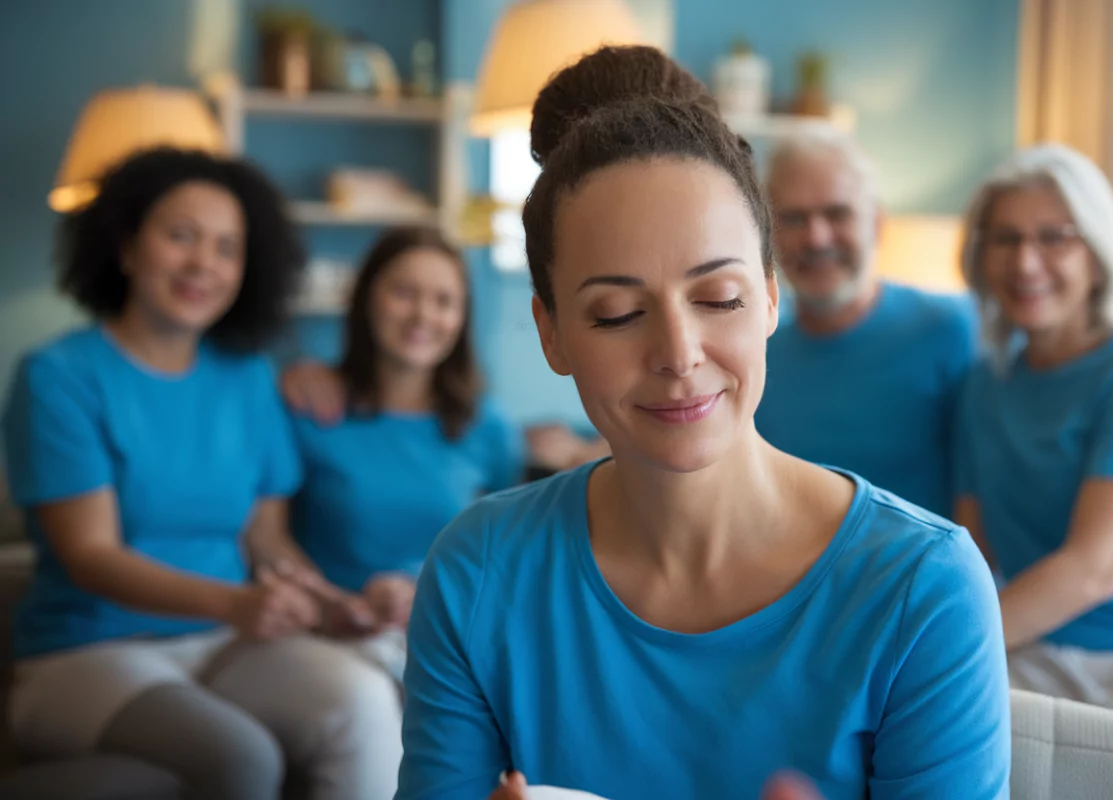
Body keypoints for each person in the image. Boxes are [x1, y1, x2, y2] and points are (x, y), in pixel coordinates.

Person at [396, 45, 1009, 800]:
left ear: (772, 297)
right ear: (551, 332)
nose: (679, 354)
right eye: (616, 313)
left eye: (719, 297)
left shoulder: (923, 590)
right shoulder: (479, 574)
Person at [2, 147, 401, 800]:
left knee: (360, 698)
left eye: (226, 247)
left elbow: (267, 541)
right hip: (86, 654)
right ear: (127, 246)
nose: (203, 264)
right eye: (180, 236)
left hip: (220, 642)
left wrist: (336, 606)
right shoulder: (58, 377)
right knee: (239, 759)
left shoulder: (247, 379)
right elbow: (90, 557)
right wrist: (236, 604)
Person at [954, 143, 1113, 726]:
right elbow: (972, 546)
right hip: (1039, 645)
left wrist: (952, 644)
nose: (1026, 263)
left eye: (1054, 237)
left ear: (1097, 253)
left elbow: (1096, 567)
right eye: (1006, 239)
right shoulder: (982, 386)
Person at [287, 225, 525, 678]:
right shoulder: (309, 407)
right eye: (404, 293)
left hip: (452, 632)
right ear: (367, 299)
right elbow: (267, 536)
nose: (423, 315)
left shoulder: (486, 423)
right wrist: (337, 604)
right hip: (334, 636)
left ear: (462, 317)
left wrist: (425, 590)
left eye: (443, 301)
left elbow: (507, 551)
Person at [754, 123, 977, 517]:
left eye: (837, 214)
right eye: (793, 218)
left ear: (876, 223)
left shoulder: (950, 330)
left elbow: (983, 493)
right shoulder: (751, 349)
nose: (817, 238)